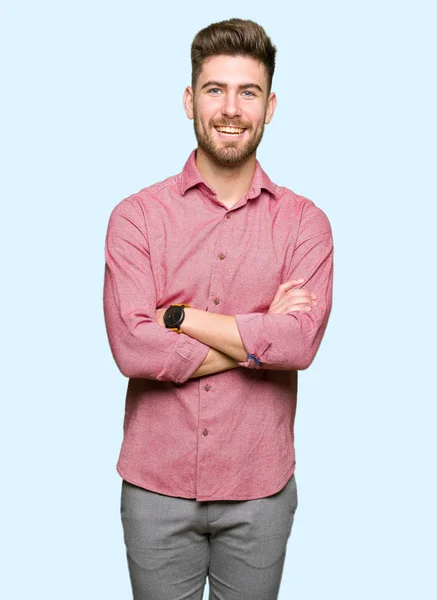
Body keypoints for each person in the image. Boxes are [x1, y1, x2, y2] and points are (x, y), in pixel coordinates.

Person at [103, 17, 333, 600]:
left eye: (248, 92)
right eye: (215, 90)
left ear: (270, 106)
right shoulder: (137, 219)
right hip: (157, 491)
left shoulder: (306, 224)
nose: (231, 108)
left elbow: (300, 344)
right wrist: (259, 338)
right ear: (189, 100)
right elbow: (132, 348)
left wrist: (176, 320)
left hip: (260, 491)